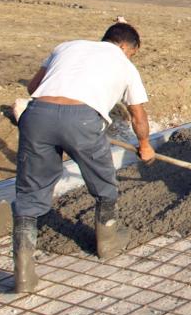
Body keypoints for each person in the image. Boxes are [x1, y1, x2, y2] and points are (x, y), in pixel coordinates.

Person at [15, 22, 155, 294]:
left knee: (30, 193)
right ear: (127, 47)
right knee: (104, 182)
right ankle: (108, 242)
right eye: (132, 53)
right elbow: (138, 115)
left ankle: (23, 274)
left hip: (37, 116)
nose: (130, 57)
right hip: (82, 120)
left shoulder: (66, 47)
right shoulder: (125, 65)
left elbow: (33, 87)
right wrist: (145, 145)